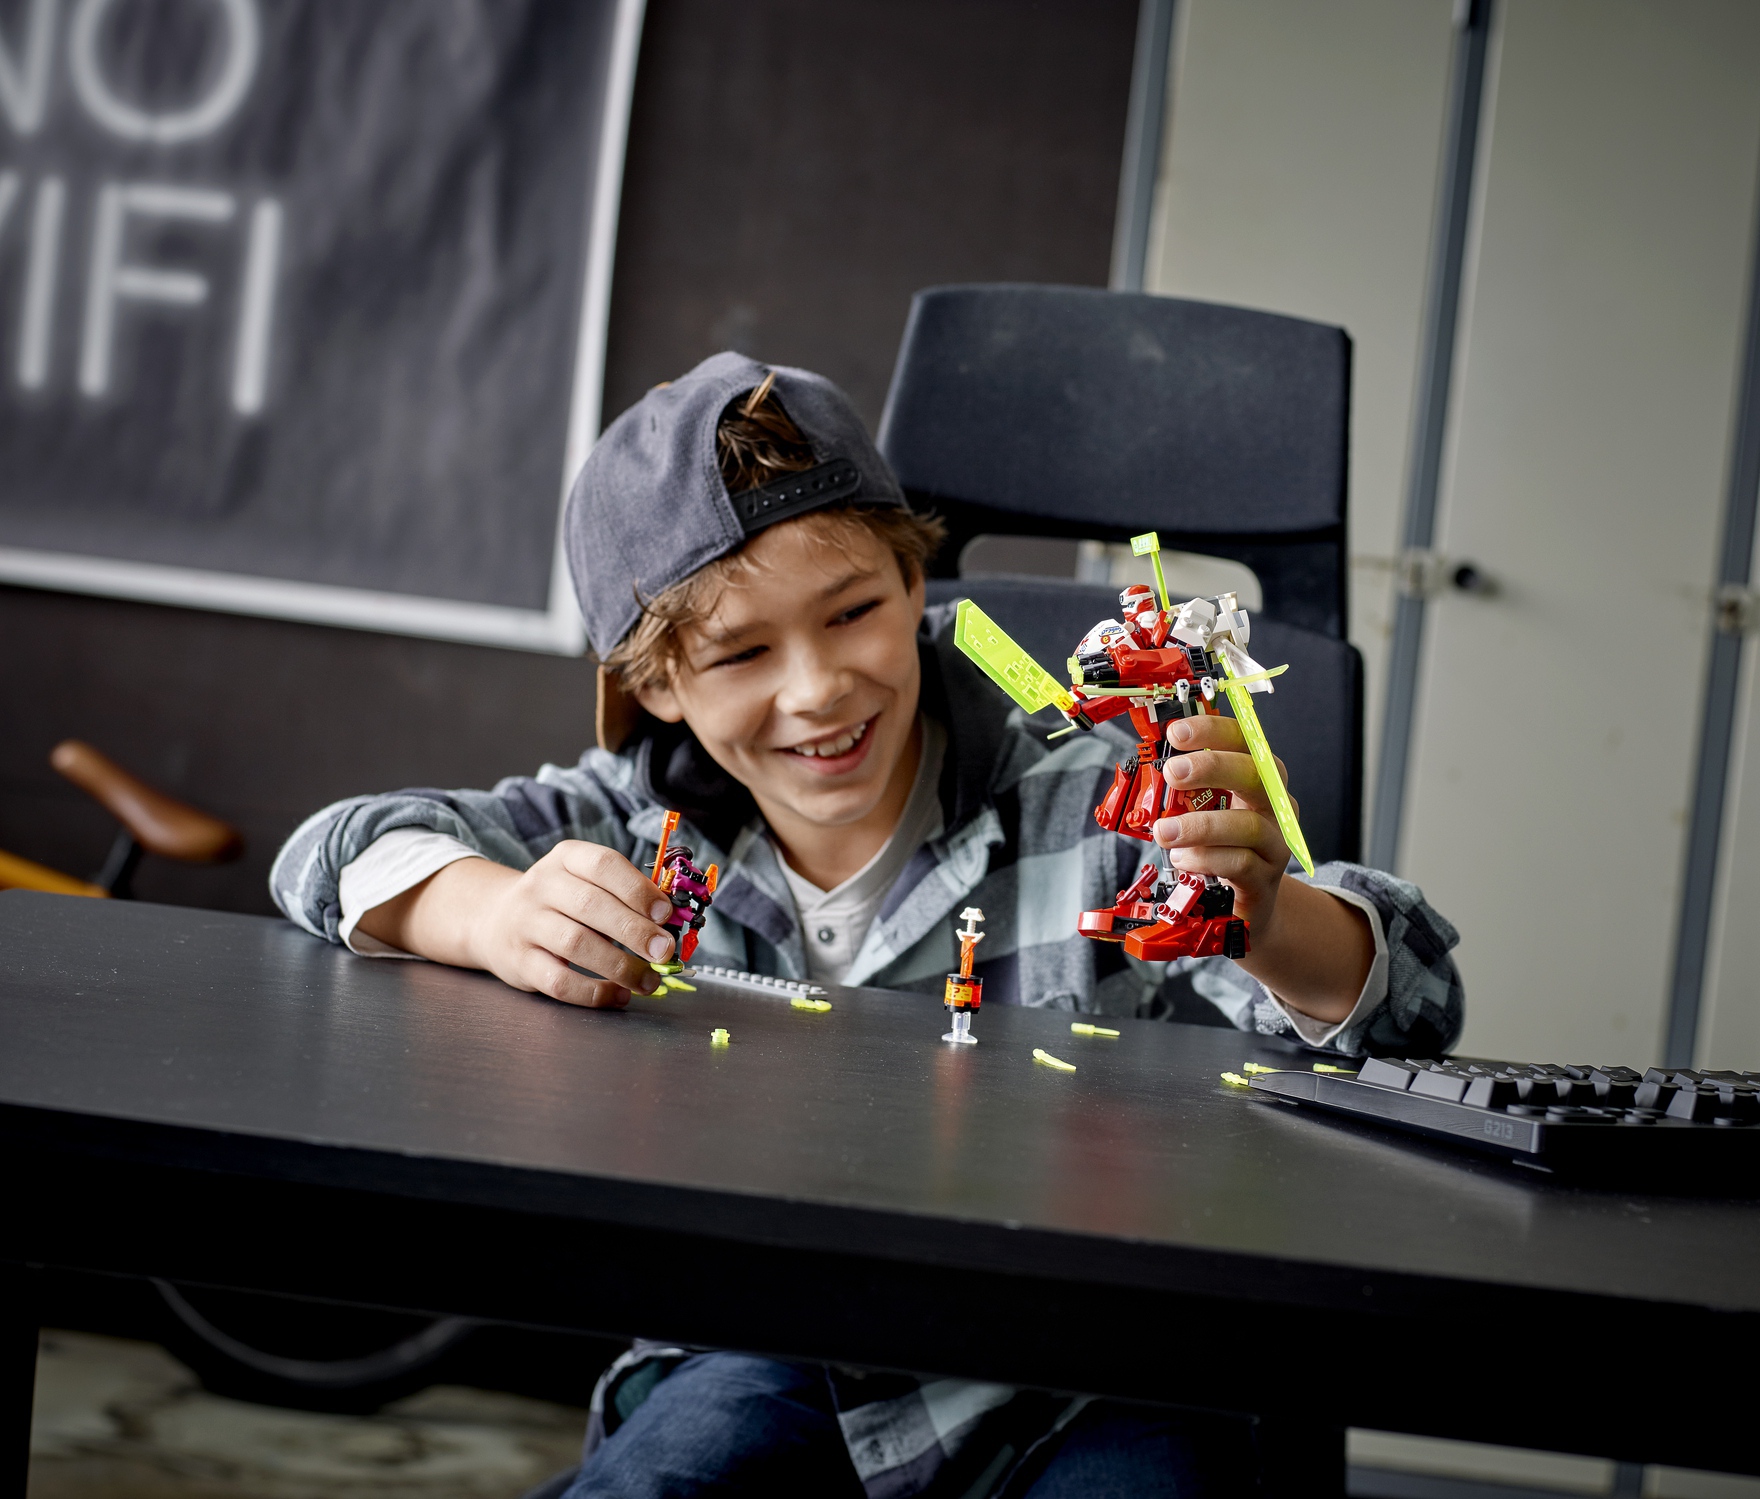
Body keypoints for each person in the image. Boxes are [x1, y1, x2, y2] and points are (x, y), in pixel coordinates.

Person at [271, 352, 1464, 1497]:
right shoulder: (630, 820)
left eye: (851, 612)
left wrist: (1268, 917)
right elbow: (327, 850)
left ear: (914, 584)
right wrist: (488, 909)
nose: (817, 688)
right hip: (759, 1343)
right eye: (741, 651)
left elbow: (1413, 1010)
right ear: (656, 685)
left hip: (1083, 1363)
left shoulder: (1088, 791)